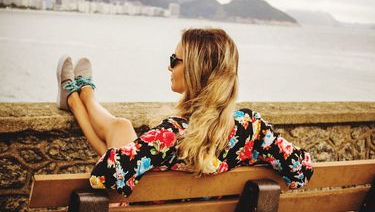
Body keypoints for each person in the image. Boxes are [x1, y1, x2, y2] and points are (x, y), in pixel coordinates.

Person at [56, 28, 313, 198]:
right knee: (121, 126)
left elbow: (103, 175)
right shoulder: (253, 129)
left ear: (194, 70)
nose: (169, 68)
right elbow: (302, 170)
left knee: (120, 135)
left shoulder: (169, 136)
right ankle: (84, 97)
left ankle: (78, 100)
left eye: (174, 60)